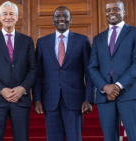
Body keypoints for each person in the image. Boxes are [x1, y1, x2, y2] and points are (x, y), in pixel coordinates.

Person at [32, 6, 95, 141]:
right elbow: (37, 74)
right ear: (53, 20)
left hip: (75, 100)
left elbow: (89, 73)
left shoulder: (83, 41)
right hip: (50, 100)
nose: (61, 19)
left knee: (74, 138)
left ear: (70, 19)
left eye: (65, 16)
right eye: (58, 16)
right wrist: (36, 100)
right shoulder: (42, 42)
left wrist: (89, 99)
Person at [88, 0, 136, 141]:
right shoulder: (98, 38)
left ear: (124, 12)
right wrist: (104, 86)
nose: (111, 13)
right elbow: (92, 67)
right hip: (105, 96)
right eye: (108, 10)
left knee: (135, 137)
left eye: (116, 9)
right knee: (109, 138)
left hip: (130, 93)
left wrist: (117, 86)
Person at [0, 1, 36, 141]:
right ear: (0, 17)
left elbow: (33, 69)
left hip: (21, 100)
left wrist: (22, 88)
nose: (8, 17)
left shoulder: (27, 41)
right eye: (5, 14)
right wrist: (2, 89)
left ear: (17, 17)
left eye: (11, 13)